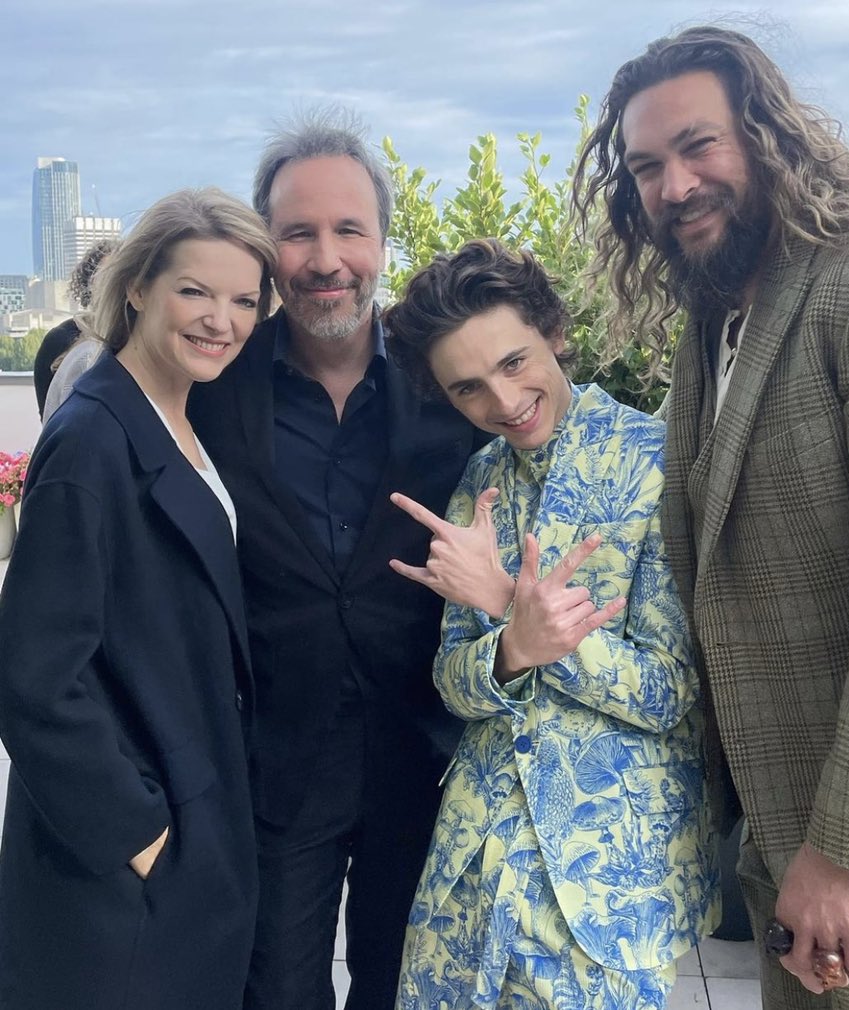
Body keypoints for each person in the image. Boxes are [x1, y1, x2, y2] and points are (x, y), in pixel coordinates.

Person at [572, 25, 849, 1010]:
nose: (674, 185)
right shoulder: (721, 321)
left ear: (770, 133)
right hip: (791, 862)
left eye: (699, 146)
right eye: (646, 167)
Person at [186, 108, 486, 1010]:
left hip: (423, 749)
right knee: (274, 989)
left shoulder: (449, 384)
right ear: (267, 248)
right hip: (274, 761)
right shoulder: (212, 390)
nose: (326, 258)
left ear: (383, 241)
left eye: (349, 229)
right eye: (298, 232)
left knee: (406, 989)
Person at [383, 238, 719, 1010]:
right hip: (473, 865)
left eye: (513, 362)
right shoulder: (480, 481)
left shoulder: (657, 463)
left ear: (555, 331)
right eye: (467, 388)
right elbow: (454, 681)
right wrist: (503, 653)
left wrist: (513, 609)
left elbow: (672, 692)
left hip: (602, 884)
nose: (501, 403)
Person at [0, 188, 277, 1009]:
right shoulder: (91, 438)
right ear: (138, 287)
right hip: (122, 864)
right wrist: (142, 835)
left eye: (242, 301)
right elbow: (36, 675)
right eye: (195, 290)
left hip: (190, 814)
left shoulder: (181, 415)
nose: (219, 320)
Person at [33, 237, 117, 419]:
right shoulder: (61, 340)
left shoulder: (137, 342)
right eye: (107, 276)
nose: (114, 285)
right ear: (89, 283)